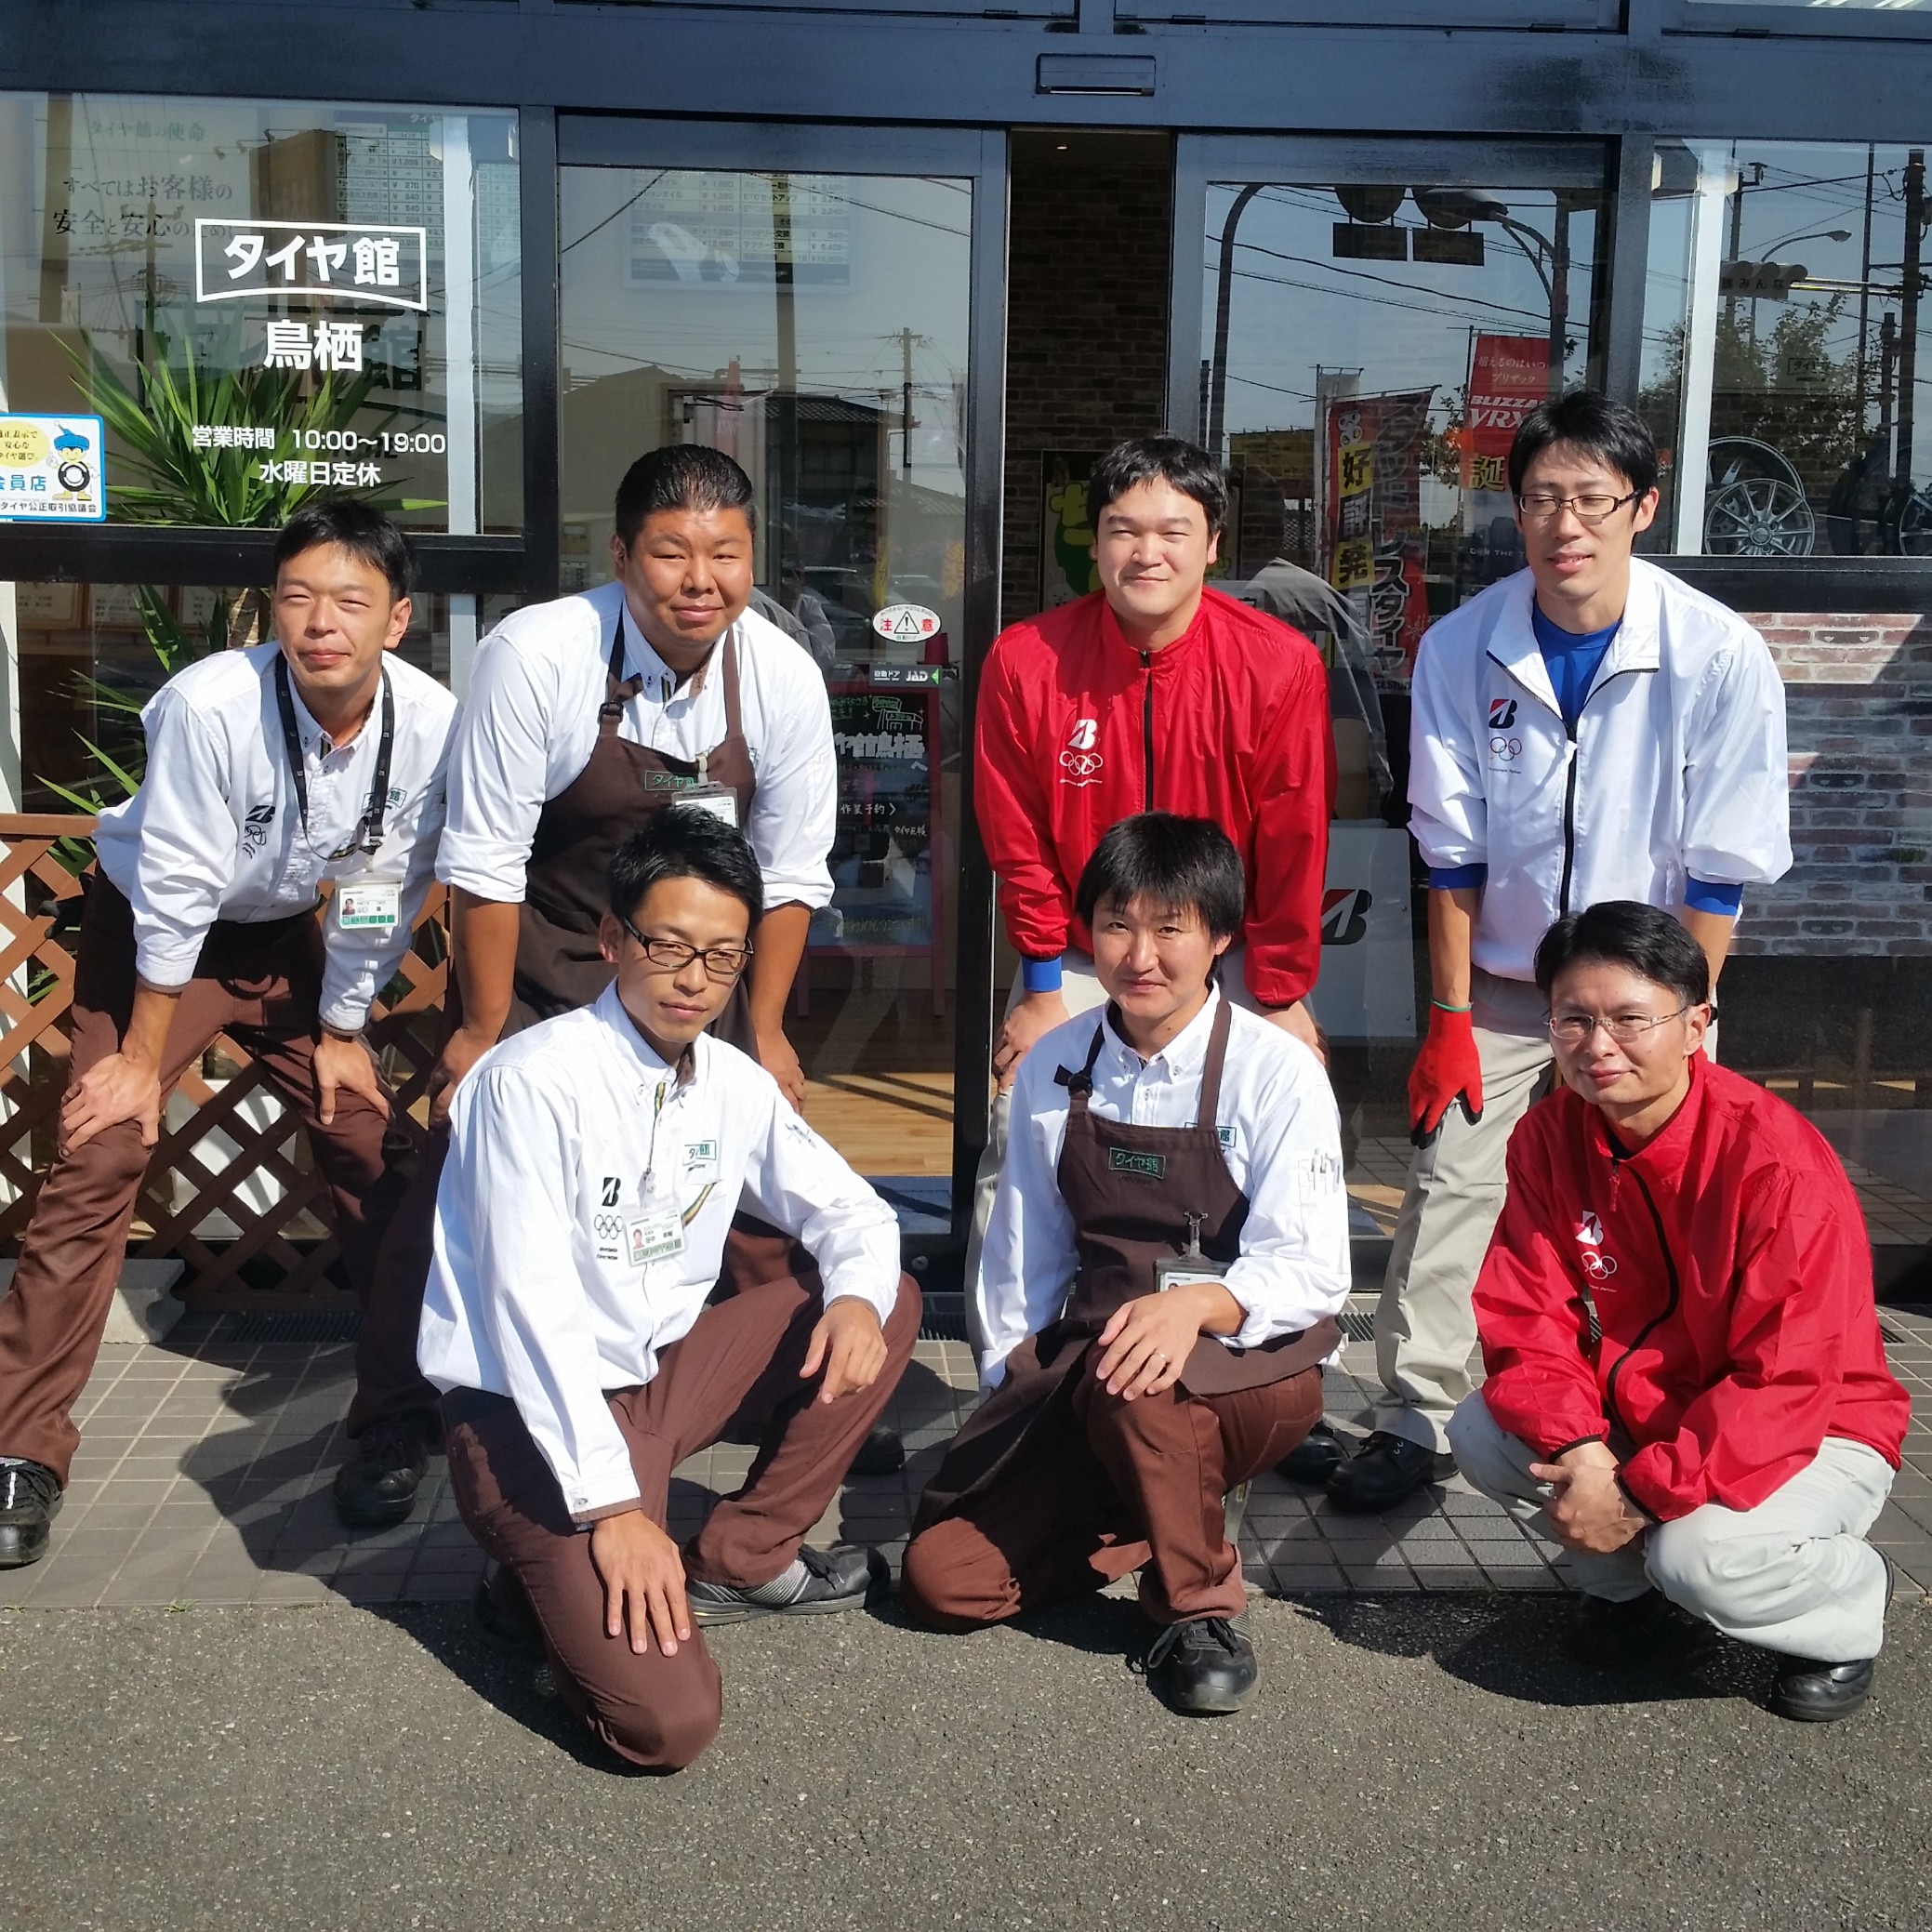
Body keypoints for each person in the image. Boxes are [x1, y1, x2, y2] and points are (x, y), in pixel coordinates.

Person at [335, 443, 870, 1528]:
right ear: (621, 556)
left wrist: (764, 1028)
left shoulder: (779, 675)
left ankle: (794, 1388)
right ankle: (392, 1417)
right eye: (670, 552)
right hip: (549, 951)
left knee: (741, 1183)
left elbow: (790, 872)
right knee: (450, 1178)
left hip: (694, 958)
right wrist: (483, 1028)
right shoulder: (538, 654)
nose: (699, 579)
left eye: (725, 553)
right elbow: (485, 860)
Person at [1327, 390, 1793, 1513]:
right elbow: (1448, 851)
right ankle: (1415, 1411)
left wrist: (1681, 1016)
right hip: (1501, 982)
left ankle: (1666, 1403)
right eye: (1540, 498)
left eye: (1590, 498)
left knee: (1667, 1199)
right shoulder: (1461, 645)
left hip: (1651, 988)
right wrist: (1445, 1018)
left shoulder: (1716, 652)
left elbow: (1719, 863)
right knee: (1451, 1181)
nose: (1563, 524)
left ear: (1642, 505)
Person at [0, 502, 456, 1568]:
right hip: (159, 937)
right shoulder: (208, 704)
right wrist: (137, 1059)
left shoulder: (432, 722)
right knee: (101, 1146)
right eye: (297, 597)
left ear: (396, 618)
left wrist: (340, 1024)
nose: (321, 622)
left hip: (293, 932)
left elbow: (382, 887)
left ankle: (397, 1417)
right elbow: (175, 885)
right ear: (271, 608)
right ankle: (21, 1448)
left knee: (363, 1136)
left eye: (350, 600)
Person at [420, 811, 920, 1770]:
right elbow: (529, 1311)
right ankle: (530, 1578)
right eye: (670, 945)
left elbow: (851, 1210)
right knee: (667, 1724)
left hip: (654, 1384)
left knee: (883, 1295)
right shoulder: (531, 1083)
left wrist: (854, 1296)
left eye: (723, 956)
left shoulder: (730, 1080)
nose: (695, 977)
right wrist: (614, 1513)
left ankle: (745, 1557)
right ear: (613, 939)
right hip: (521, 1411)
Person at [902, 814, 1349, 1715]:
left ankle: (1197, 1606)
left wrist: (1197, 1306)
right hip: (1096, 1368)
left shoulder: (1275, 1071)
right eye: (1116, 925)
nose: (1140, 955)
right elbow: (1023, 1248)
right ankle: (1154, 1512)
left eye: (1169, 928)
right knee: (942, 1578)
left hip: (1254, 1370)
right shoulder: (1056, 1061)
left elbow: (1313, 1267)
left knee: (1140, 1380)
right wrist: (1009, 1391)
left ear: (1220, 937)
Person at [1448, 902, 1910, 1723]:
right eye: (1573, 1019)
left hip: (1814, 1424)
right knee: (1482, 1431)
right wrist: (1584, 1453)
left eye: (1631, 1019)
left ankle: (1844, 1611)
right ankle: (1629, 1595)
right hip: (1653, 1411)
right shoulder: (1550, 1136)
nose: (1598, 1046)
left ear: (1696, 1025)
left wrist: (1639, 1495)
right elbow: (1526, 1316)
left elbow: (1786, 1380)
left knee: (1702, 1557)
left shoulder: (1772, 1162)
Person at [968, 435, 1336, 1348]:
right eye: (1122, 530)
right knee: (1022, 1134)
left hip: (1226, 949)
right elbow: (1014, 833)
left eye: (1173, 531)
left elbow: (1294, 838)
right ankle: (1012, 1375)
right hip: (1076, 948)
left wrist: (1279, 991)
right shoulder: (1026, 660)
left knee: (1257, 1141)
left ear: (1212, 542)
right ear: (1093, 542)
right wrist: (1040, 981)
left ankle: (1247, 1365)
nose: (1147, 553)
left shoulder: (1279, 663)